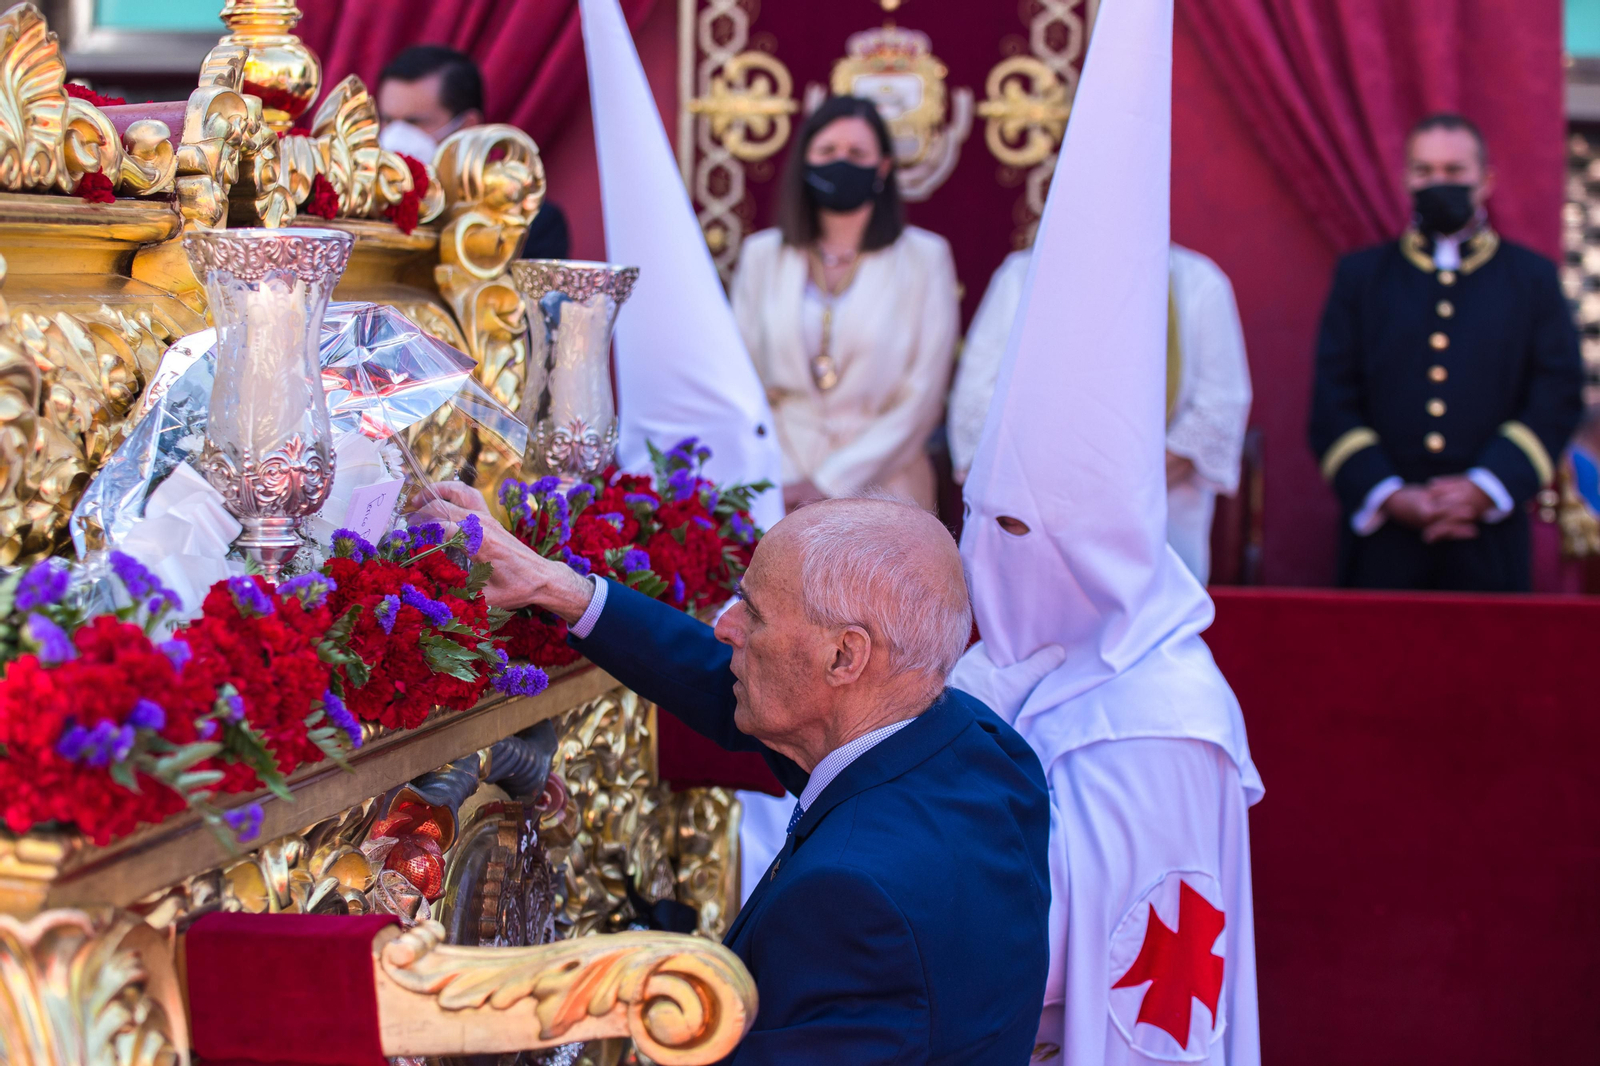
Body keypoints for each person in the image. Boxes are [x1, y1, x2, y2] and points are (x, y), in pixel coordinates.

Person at [424, 484, 1051, 1061]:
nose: (725, 627)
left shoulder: (851, 900)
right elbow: (728, 687)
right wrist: (561, 590)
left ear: (844, 655)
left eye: (752, 612)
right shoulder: (983, 753)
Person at [1308, 112, 1583, 591]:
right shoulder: (1361, 278)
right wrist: (1391, 495)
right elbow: (1332, 401)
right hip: (1382, 543)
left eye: (1454, 172)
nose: (1439, 183)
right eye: (1424, 171)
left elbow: (1556, 394)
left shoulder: (1531, 280)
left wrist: (1484, 489)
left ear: (1485, 179)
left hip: (1490, 539)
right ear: (1405, 178)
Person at [950, 244, 1252, 582]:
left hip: (1158, 530)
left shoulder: (1198, 282)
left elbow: (1217, 412)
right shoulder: (1021, 275)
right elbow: (975, 406)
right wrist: (1055, 500)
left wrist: (1105, 499)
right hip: (1035, 526)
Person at [731, 96, 959, 513]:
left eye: (857, 154)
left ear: (883, 167)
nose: (841, 163)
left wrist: (831, 482)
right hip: (778, 483)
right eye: (828, 152)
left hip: (887, 491)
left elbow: (923, 397)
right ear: (806, 162)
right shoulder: (762, 256)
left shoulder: (925, 259)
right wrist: (788, 480)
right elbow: (739, 380)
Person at [376, 44, 569, 258]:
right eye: (388, 120)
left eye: (414, 122)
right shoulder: (366, 205)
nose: (395, 135)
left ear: (467, 126)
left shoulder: (529, 222)